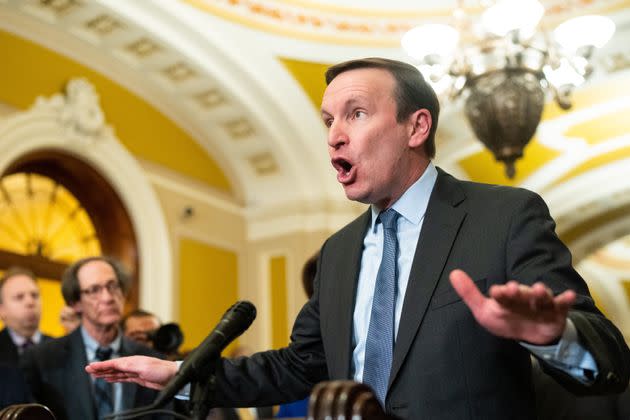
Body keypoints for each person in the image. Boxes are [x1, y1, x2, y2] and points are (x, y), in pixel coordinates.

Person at [87, 58, 630, 419]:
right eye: (327, 120)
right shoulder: (340, 252)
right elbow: (298, 367)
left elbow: (608, 356)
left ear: (416, 128)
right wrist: (183, 373)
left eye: (356, 113)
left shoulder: (505, 216)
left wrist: (551, 333)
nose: (334, 135)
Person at [20, 256, 169, 420]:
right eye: (94, 290)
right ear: (76, 303)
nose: (108, 298)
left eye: (113, 286)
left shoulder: (151, 360)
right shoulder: (42, 359)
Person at [0, 267, 52, 365]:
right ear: (2, 310)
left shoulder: (60, 349)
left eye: (35, 295)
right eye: (19, 297)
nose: (30, 302)